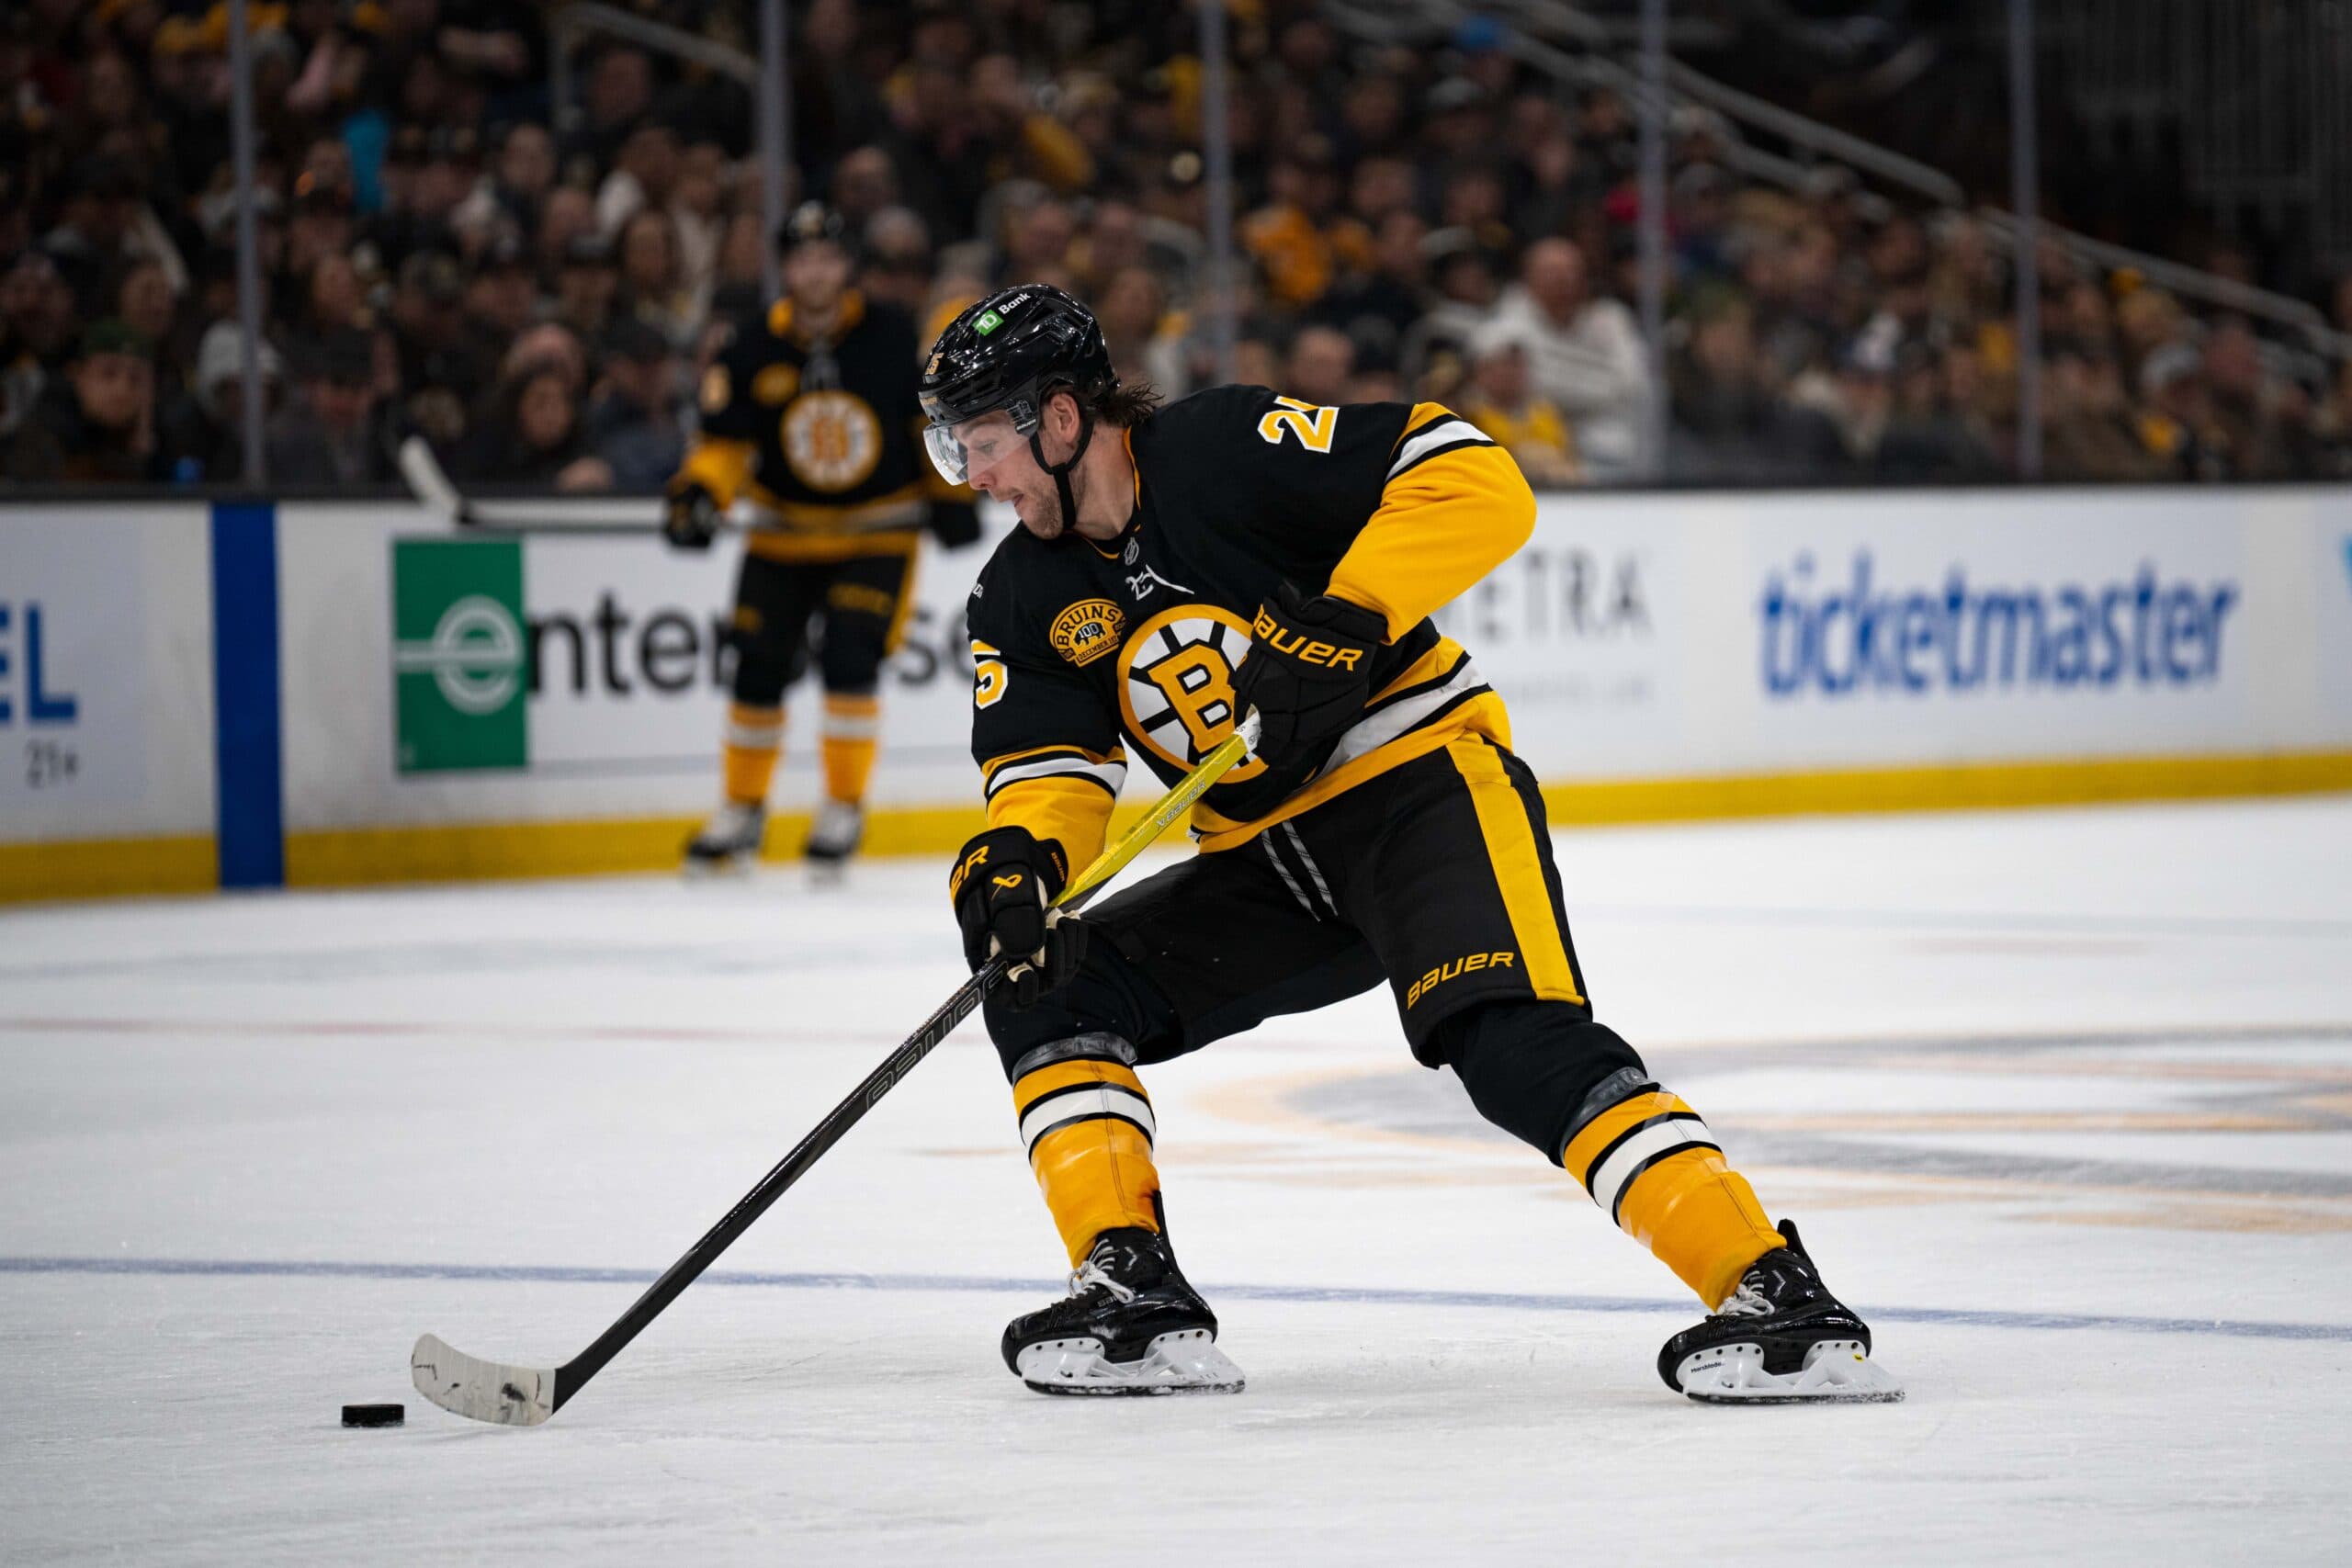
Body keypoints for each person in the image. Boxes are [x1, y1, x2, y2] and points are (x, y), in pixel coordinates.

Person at [918, 284, 1900, 1404]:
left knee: (1508, 1042)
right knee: (1050, 991)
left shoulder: (1218, 447)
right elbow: (1049, 774)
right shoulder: (1019, 594)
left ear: (1057, 420)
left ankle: (1773, 1292)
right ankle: (1130, 1287)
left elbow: (1477, 473)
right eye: (957, 451)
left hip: (1416, 793)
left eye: (981, 444)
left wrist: (1353, 612)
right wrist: (1017, 861)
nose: (975, 477)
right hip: (1268, 868)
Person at [663, 203, 979, 875]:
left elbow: (923, 427)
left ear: (846, 268)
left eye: (828, 259)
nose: (815, 271)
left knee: (849, 655)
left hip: (877, 532)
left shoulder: (891, 338)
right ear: (786, 267)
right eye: (803, 259)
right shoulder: (751, 345)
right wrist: (699, 492)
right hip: (781, 535)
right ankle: (742, 808)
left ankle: (842, 805)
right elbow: (723, 443)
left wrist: (950, 494)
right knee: (756, 664)